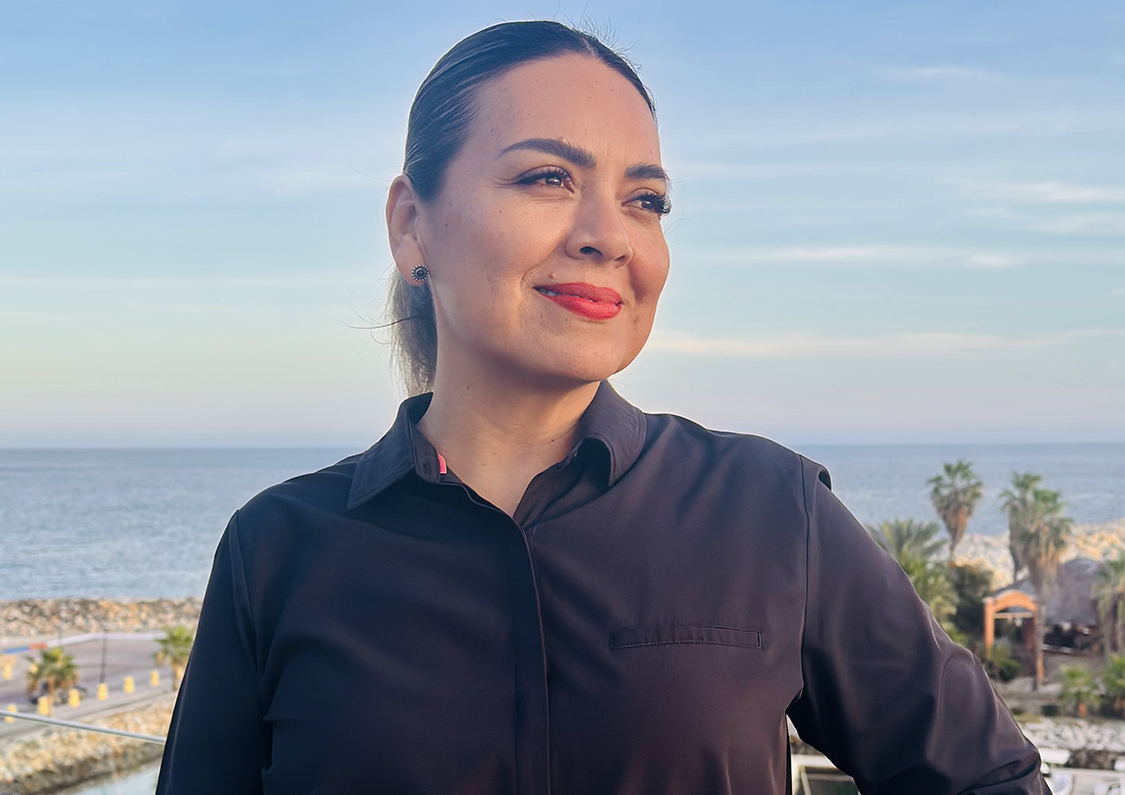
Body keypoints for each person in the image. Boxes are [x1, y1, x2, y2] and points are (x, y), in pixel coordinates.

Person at [155, 19, 1048, 795]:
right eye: (547, 178)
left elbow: (983, 776)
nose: (608, 235)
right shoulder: (275, 550)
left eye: (645, 200)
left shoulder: (771, 510)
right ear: (411, 226)